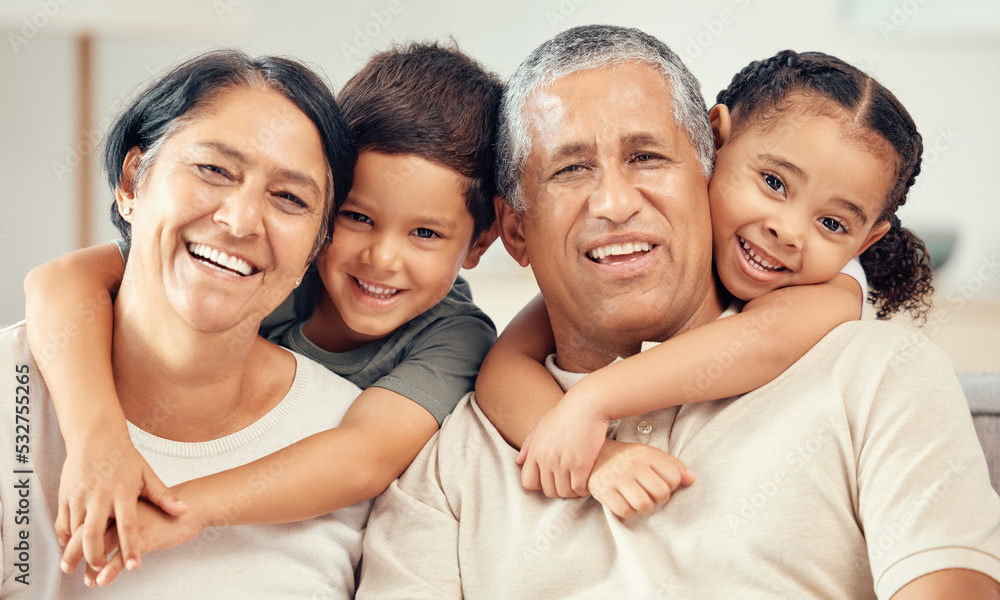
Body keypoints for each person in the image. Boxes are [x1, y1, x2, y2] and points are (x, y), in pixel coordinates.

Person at [356, 25, 1000, 599]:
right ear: (515, 232)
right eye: (572, 168)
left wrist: (594, 399)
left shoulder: (878, 372)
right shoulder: (447, 458)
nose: (614, 202)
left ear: (707, 164)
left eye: (647, 156)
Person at [21, 42, 502, 585]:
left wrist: (182, 509)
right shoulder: (261, 270)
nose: (382, 258)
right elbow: (59, 279)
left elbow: (360, 457)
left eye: (425, 233)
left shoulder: (453, 335)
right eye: (357, 217)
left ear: (480, 243)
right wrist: (98, 441)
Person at [474, 48, 937, 516]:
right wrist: (595, 452)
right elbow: (504, 368)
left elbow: (757, 343)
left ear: (865, 240)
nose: (788, 231)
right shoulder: (651, 255)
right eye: (774, 183)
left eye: (833, 224)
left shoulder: (834, 290)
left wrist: (592, 400)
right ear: (715, 141)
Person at [1, 49, 370, 598]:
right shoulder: (13, 391)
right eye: (213, 169)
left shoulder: (346, 439)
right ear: (131, 183)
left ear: (316, 247)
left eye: (289, 198)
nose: (241, 221)